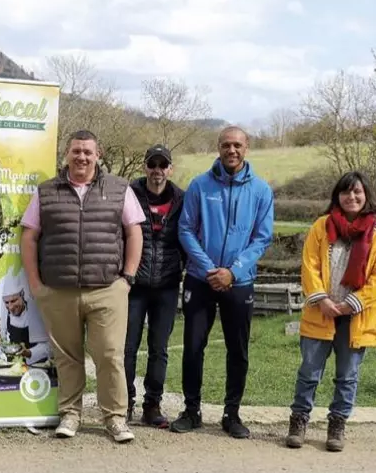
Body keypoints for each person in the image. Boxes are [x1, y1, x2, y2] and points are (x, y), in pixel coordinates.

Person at [20, 129, 145, 443]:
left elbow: (134, 232)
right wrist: (36, 284)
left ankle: (115, 419)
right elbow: (29, 237)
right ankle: (70, 415)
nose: (82, 157)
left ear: (98, 154)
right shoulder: (46, 191)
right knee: (67, 357)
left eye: (88, 152)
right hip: (59, 290)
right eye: (76, 151)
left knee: (110, 355)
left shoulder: (119, 189)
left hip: (107, 289)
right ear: (67, 153)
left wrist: (127, 279)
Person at [171, 126, 274, 439]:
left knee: (237, 349)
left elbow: (262, 237)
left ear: (246, 148)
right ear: (218, 147)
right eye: (227, 145)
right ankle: (192, 410)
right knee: (193, 347)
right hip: (201, 281)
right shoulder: (200, 186)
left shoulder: (260, 190)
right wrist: (210, 268)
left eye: (238, 145)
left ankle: (232, 413)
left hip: (239, 282)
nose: (232, 150)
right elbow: (186, 230)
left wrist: (234, 271)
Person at [286, 172, 376, 452]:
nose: (352, 197)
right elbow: (309, 266)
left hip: (356, 316)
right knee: (309, 372)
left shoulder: (374, 232)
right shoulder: (321, 227)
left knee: (347, 375)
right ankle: (299, 420)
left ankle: (337, 424)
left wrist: (353, 302)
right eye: (346, 192)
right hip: (320, 311)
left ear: (366, 196)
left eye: (357, 192)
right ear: (337, 196)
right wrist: (322, 299)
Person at [124, 145, 185, 428]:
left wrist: (182, 268)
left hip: (167, 285)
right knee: (127, 347)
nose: (157, 170)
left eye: (163, 165)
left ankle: (152, 405)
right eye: (152, 164)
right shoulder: (129, 195)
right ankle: (124, 403)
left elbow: (189, 235)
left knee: (159, 348)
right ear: (145, 167)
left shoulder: (182, 200)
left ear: (170, 169)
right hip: (134, 284)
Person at [0, 272, 51, 365]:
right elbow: (7, 347)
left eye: (13, 301)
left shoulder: (36, 310)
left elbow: (51, 347)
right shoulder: (5, 316)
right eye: (7, 302)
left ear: (22, 295)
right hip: (13, 369)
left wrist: (28, 353)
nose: (10, 307)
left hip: (38, 370)